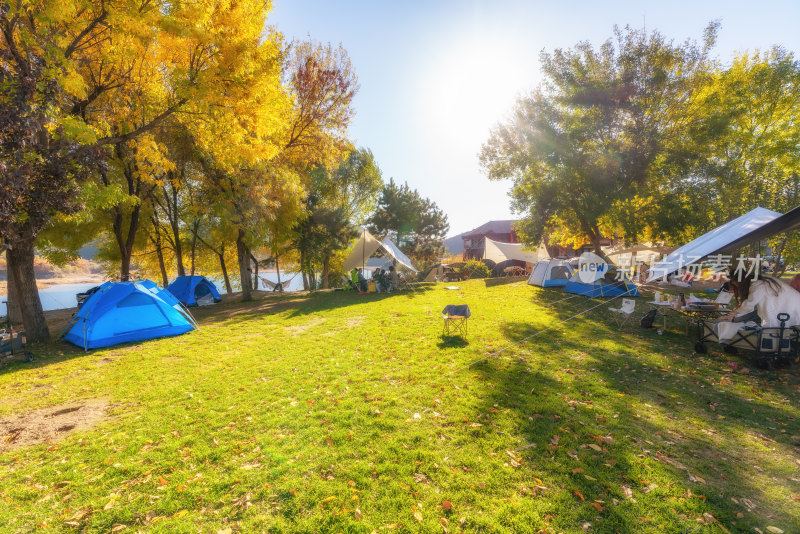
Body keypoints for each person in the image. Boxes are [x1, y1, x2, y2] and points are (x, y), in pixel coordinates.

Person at [719, 269, 800, 328]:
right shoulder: (758, 282)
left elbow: (749, 304)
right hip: (791, 304)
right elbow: (749, 305)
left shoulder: (758, 284)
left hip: (793, 306)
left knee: (782, 330)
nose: (733, 284)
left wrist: (733, 313)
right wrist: (735, 312)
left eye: (734, 282)